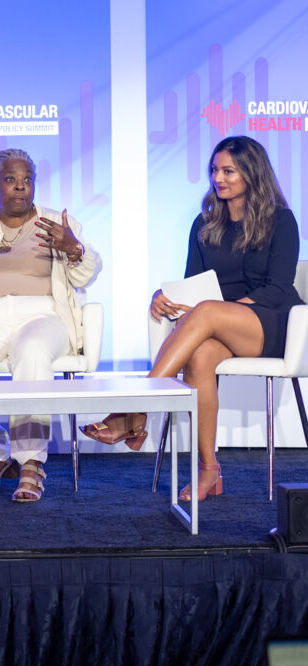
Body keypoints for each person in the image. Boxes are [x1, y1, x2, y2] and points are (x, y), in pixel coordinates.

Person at [82, 135, 302, 501]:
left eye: (228, 171)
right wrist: (163, 299)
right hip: (219, 322)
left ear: (252, 173)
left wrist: (216, 310)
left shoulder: (281, 220)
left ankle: (134, 410)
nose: (219, 178)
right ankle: (209, 471)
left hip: (274, 324)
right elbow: (193, 287)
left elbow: (278, 288)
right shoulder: (206, 222)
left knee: (209, 312)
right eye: (215, 170)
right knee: (199, 354)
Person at [0, 149, 101, 502]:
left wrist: (73, 247)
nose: (20, 188)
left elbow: (87, 273)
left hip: (45, 314)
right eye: (10, 180)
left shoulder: (56, 222)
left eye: (27, 180)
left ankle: (30, 462)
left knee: (33, 350)